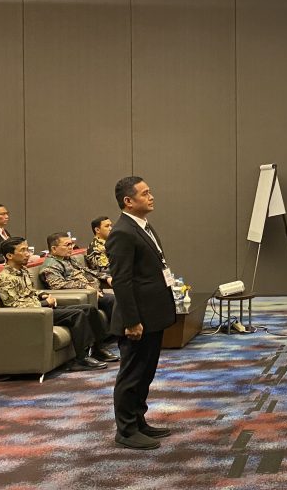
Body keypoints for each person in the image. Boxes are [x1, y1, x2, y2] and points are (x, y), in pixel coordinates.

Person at [108, 176, 176, 450]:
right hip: (136, 319)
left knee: (146, 373)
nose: (151, 196)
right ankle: (125, 430)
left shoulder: (142, 226)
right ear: (128, 201)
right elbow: (122, 281)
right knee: (132, 375)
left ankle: (138, 421)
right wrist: (132, 321)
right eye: (145, 193)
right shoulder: (122, 232)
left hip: (152, 314)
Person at [0, 237, 118, 370]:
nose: (28, 254)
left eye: (27, 249)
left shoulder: (23, 271)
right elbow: (14, 306)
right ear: (9, 255)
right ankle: (81, 359)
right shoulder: (5, 278)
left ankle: (98, 349)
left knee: (89, 309)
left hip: (42, 309)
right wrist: (44, 303)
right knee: (77, 314)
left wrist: (42, 294)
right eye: (22, 250)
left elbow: (30, 291)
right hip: (32, 315)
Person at [40, 232, 116, 323]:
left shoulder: (68, 259)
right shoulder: (50, 266)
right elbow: (58, 285)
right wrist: (85, 287)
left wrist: (106, 277)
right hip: (84, 295)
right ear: (54, 249)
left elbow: (86, 270)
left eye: (71, 244)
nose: (71, 247)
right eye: (67, 245)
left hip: (94, 290)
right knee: (113, 300)